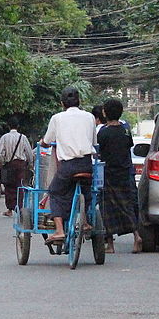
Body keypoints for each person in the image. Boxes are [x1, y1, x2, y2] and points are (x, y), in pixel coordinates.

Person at [41, 87, 97, 244]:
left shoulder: (57, 118)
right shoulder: (90, 117)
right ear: (80, 101)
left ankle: (59, 231)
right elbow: (94, 142)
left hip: (68, 166)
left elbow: (47, 141)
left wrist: (43, 143)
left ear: (62, 103)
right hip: (86, 164)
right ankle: (85, 222)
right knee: (86, 191)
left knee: (55, 192)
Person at [96, 98, 139, 253]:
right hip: (125, 173)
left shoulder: (103, 132)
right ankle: (137, 236)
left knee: (107, 208)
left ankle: (110, 244)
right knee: (128, 206)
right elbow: (128, 146)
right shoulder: (125, 130)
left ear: (105, 113)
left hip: (108, 174)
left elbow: (99, 152)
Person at [0, 117, 32, 217]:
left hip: (9, 165)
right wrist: (30, 163)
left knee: (9, 187)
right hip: (20, 165)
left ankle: (10, 209)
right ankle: (20, 209)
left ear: (8, 126)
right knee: (20, 186)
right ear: (18, 126)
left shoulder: (4, 137)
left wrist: (3, 161)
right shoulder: (23, 137)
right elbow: (29, 153)